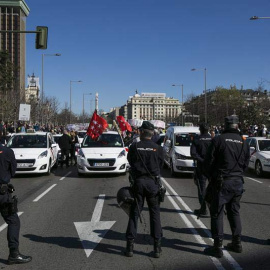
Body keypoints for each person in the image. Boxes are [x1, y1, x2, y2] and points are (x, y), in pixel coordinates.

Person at [203, 115, 250, 258]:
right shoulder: (244, 142)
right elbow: (246, 164)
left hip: (222, 181)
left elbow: (209, 161)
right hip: (237, 181)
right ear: (237, 126)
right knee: (234, 212)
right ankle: (237, 243)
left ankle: (217, 246)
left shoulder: (218, 139)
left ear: (225, 125)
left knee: (217, 213)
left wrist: (210, 176)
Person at [126, 121, 164, 258]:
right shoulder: (158, 148)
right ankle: (157, 247)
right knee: (155, 214)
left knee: (134, 213)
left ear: (141, 132)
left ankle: (129, 246)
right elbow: (160, 165)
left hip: (139, 182)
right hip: (153, 183)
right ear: (152, 134)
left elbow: (130, 161)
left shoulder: (134, 146)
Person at [0, 135, 32, 264]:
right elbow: (13, 171)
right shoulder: (7, 152)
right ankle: (14, 253)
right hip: (2, 194)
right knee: (13, 221)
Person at [190, 122, 212, 217]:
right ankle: (213, 208)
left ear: (200, 129)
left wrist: (202, 160)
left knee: (201, 188)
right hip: (212, 167)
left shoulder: (197, 139)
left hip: (201, 167)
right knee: (213, 188)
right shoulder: (213, 139)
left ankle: (203, 209)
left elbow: (193, 154)